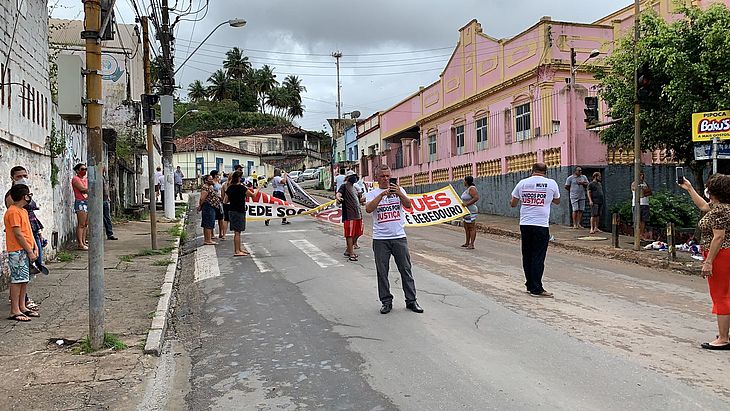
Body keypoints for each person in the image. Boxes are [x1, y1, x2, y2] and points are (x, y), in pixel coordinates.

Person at [679, 174, 730, 350]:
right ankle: (725, 333)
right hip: (724, 253)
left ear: (714, 191)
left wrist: (708, 262)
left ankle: (723, 338)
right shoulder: (721, 207)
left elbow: (719, 237)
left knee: (720, 295)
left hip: (720, 255)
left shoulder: (720, 211)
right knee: (726, 294)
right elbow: (702, 206)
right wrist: (689, 188)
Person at [364, 164, 423, 314]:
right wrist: (381, 195)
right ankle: (386, 301)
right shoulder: (372, 193)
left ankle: (411, 300)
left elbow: (409, 205)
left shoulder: (399, 190)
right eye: (382, 176)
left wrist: (400, 194)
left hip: (399, 237)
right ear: (376, 178)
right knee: (382, 271)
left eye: (388, 176)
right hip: (380, 239)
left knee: (406, 269)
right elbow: (369, 209)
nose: (385, 179)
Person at [511, 163, 561, 298]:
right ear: (545, 172)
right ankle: (537, 288)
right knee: (538, 256)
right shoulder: (551, 183)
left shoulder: (522, 183)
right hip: (541, 225)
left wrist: (527, 199)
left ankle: (529, 284)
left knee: (527, 255)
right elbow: (557, 201)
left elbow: (513, 203)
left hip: (525, 224)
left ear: (532, 170)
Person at [5, 166, 44, 311]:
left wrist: (34, 244)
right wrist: (29, 250)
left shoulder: (23, 210)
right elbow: (18, 233)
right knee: (18, 279)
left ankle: (22, 305)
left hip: (27, 245)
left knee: (24, 278)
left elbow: (28, 229)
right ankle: (16, 308)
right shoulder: (14, 210)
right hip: (19, 249)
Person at [226, 170, 255, 257]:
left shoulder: (230, 188)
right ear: (238, 178)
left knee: (237, 231)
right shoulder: (242, 188)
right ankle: (237, 251)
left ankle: (239, 249)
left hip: (232, 210)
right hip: (239, 210)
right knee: (237, 232)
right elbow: (252, 195)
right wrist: (258, 189)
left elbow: (226, 200)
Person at [337, 172, 364, 261]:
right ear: (348, 178)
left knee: (359, 232)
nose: (355, 178)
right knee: (349, 234)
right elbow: (339, 194)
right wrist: (338, 197)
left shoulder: (355, 188)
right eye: (353, 177)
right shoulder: (344, 186)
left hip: (358, 214)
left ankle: (349, 249)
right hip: (349, 214)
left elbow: (359, 200)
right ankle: (351, 253)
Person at [197, 174, 220, 245]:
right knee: (208, 223)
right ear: (206, 180)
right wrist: (200, 206)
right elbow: (202, 198)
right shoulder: (205, 187)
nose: (212, 180)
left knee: (208, 223)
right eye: (210, 179)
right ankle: (208, 240)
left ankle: (208, 239)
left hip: (211, 207)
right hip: (208, 207)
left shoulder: (210, 187)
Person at [72, 163, 89, 250]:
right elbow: (82, 189)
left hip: (87, 201)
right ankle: (80, 243)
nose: (84, 171)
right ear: (78, 170)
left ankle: (83, 240)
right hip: (81, 202)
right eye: (82, 169)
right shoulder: (76, 179)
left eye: (85, 169)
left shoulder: (85, 179)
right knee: (81, 224)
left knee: (86, 224)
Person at [631, 171, 652, 240]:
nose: (642, 177)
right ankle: (637, 234)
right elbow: (640, 193)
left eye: (642, 175)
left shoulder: (645, 183)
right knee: (637, 220)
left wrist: (644, 191)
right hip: (636, 204)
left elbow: (649, 192)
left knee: (644, 220)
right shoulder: (634, 183)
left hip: (645, 203)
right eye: (640, 175)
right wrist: (644, 191)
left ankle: (641, 234)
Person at [460, 176, 480, 249]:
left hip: (471, 211)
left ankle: (472, 244)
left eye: (464, 181)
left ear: (466, 181)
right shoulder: (468, 189)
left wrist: (467, 204)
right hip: (466, 211)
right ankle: (467, 242)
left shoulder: (472, 189)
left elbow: (476, 197)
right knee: (466, 227)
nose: (463, 182)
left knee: (471, 227)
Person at [102, 167, 118, 240]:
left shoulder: (104, 177)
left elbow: (106, 188)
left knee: (107, 217)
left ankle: (110, 234)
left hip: (105, 199)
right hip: (100, 200)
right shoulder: (97, 177)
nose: (104, 168)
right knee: (103, 218)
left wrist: (107, 196)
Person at [210, 169, 226, 239]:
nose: (219, 175)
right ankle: (212, 234)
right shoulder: (212, 183)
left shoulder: (219, 182)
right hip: (214, 202)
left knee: (221, 218)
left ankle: (221, 233)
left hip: (220, 202)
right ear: (215, 175)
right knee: (212, 219)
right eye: (218, 174)